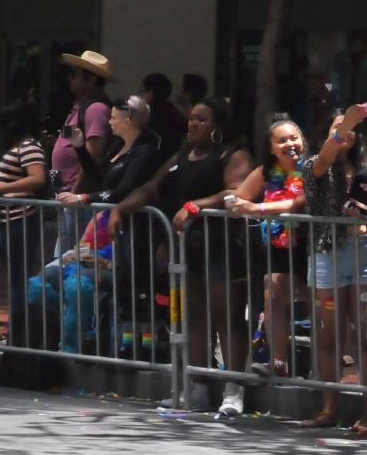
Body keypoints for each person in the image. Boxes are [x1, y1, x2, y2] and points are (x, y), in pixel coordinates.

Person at [110, 98, 253, 415]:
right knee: (195, 319)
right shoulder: (180, 155)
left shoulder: (233, 154)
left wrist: (196, 206)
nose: (192, 124)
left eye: (201, 120)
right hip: (188, 246)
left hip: (224, 244)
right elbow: (152, 188)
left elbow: (237, 192)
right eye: (191, 118)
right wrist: (121, 208)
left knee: (227, 318)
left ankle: (233, 390)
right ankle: (198, 388)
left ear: (218, 126)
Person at [293, 103, 367, 430]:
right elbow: (328, 155)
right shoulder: (315, 164)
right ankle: (329, 409)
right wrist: (343, 127)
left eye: (353, 129)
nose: (347, 133)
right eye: (340, 127)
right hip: (327, 256)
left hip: (363, 254)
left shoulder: (366, 169)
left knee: (364, 337)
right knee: (328, 336)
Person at [228, 116, 309, 383]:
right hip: (278, 244)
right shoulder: (266, 172)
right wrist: (237, 206)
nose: (290, 144)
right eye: (282, 140)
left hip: (311, 242)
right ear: (271, 147)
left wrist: (257, 209)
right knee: (272, 297)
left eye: (294, 138)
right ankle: (278, 362)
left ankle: (325, 367)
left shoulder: (311, 169)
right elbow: (238, 198)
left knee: (317, 305)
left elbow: (297, 202)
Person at [0, 105, 49, 347]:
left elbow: (37, 179)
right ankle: (16, 327)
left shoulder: (29, 146)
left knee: (19, 276)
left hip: (19, 219)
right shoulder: (21, 147)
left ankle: (18, 328)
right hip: (8, 219)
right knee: (15, 275)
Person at [51, 51, 114, 199]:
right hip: (68, 194)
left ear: (91, 79)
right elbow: (75, 144)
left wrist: (75, 195)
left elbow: (92, 159)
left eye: (74, 74)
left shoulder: (96, 109)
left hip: (79, 199)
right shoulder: (80, 107)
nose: (69, 78)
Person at [140, 73, 189, 156]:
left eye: (143, 91)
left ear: (151, 94)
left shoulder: (151, 115)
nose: (141, 95)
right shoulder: (174, 112)